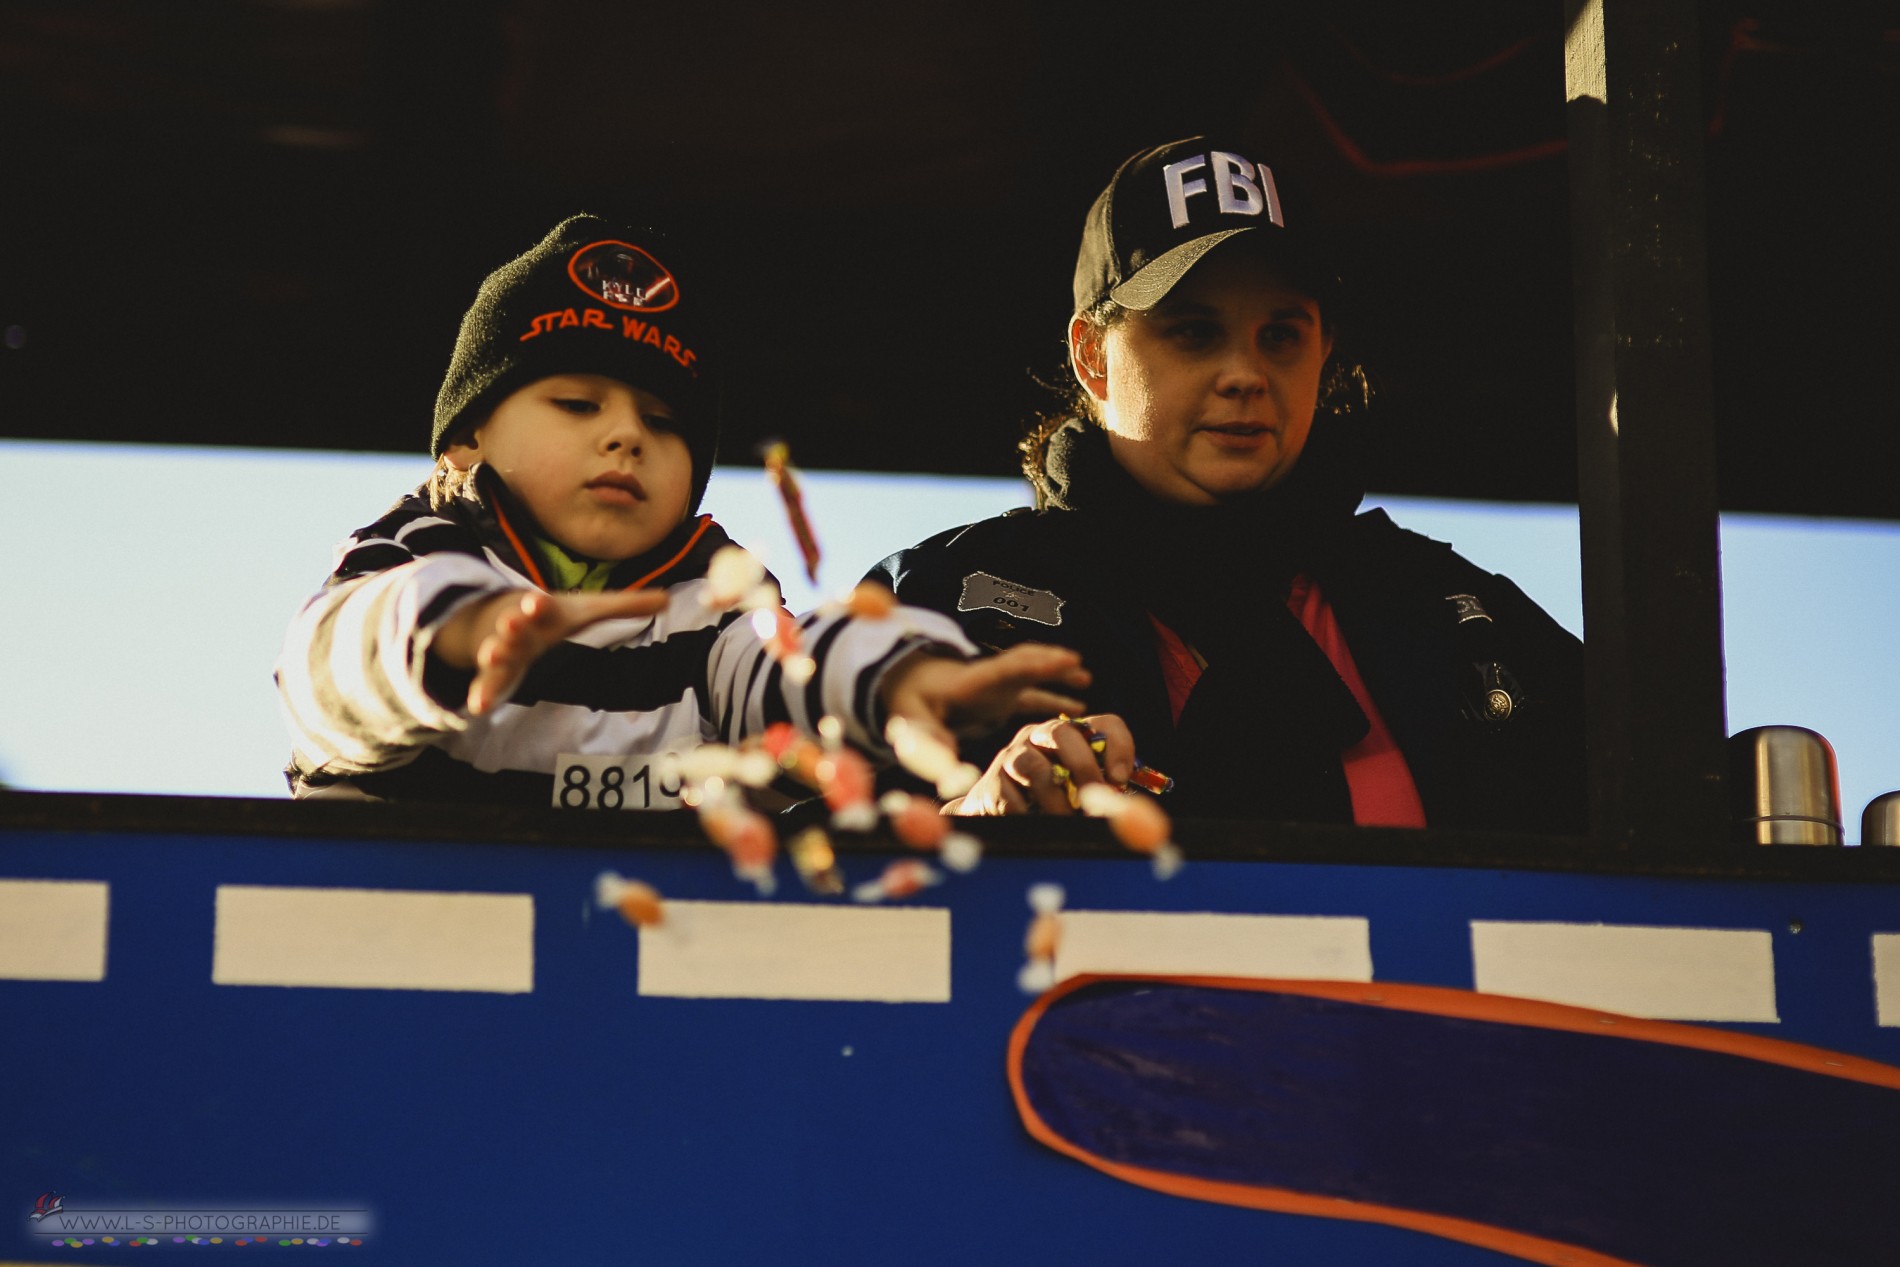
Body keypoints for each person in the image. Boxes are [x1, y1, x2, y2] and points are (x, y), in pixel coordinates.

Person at [869, 138, 1586, 832]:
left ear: (1324, 350)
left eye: (1280, 334)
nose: (1245, 373)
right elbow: (786, 879)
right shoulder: (935, 603)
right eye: (1193, 331)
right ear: (1092, 357)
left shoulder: (1464, 619)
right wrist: (973, 820)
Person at [277, 214, 1086, 805]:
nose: (626, 435)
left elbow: (779, 671)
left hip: (618, 974)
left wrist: (897, 679)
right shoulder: (418, 549)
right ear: (467, 439)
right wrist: (451, 631)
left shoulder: (711, 594)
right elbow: (322, 673)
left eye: (665, 425)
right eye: (577, 403)